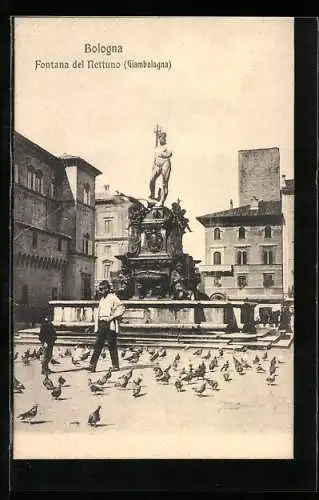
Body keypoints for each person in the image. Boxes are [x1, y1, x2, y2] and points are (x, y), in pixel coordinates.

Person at [88, 280, 125, 372]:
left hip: (109, 324)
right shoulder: (102, 299)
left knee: (111, 344)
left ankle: (115, 365)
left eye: (103, 289)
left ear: (108, 289)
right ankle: (92, 365)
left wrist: (112, 317)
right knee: (98, 345)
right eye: (100, 289)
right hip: (102, 323)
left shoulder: (113, 297)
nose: (101, 291)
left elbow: (121, 308)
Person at [149, 131, 172, 206]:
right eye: (160, 138)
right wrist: (153, 165)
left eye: (162, 138)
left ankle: (162, 200)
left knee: (164, 183)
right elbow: (155, 157)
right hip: (157, 165)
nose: (161, 139)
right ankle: (152, 195)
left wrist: (161, 154)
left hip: (165, 163)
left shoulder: (167, 146)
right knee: (152, 179)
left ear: (164, 138)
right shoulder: (157, 148)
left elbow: (169, 154)